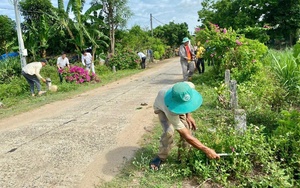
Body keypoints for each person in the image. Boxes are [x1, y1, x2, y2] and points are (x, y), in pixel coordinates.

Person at [150, 82, 220, 170]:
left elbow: (187, 101)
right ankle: (160, 157)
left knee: (187, 127)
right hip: (162, 108)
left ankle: (182, 157)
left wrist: (188, 115)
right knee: (169, 132)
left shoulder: (189, 86)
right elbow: (186, 135)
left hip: (177, 102)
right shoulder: (170, 110)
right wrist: (206, 150)